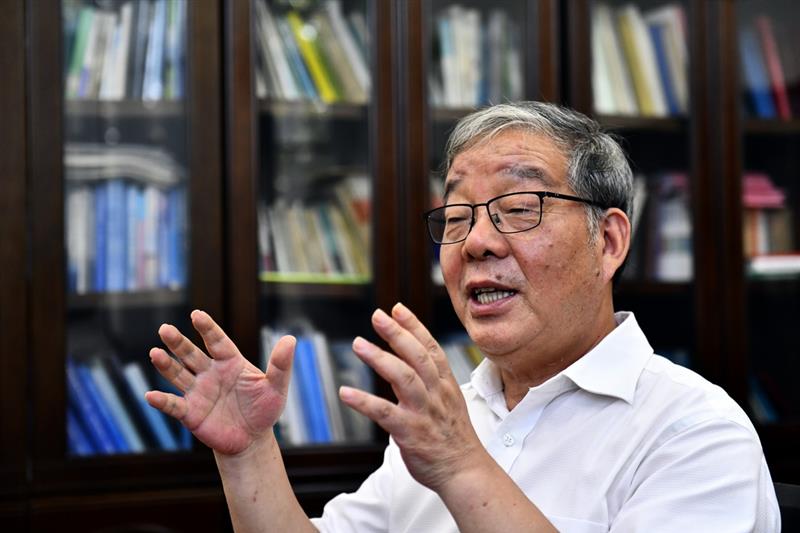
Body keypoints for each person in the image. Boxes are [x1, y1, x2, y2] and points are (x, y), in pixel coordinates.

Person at [146, 101, 780, 532]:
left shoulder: (693, 430)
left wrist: (459, 464)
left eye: (519, 208)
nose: (476, 242)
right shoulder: (454, 413)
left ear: (609, 241)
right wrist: (249, 452)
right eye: (456, 217)